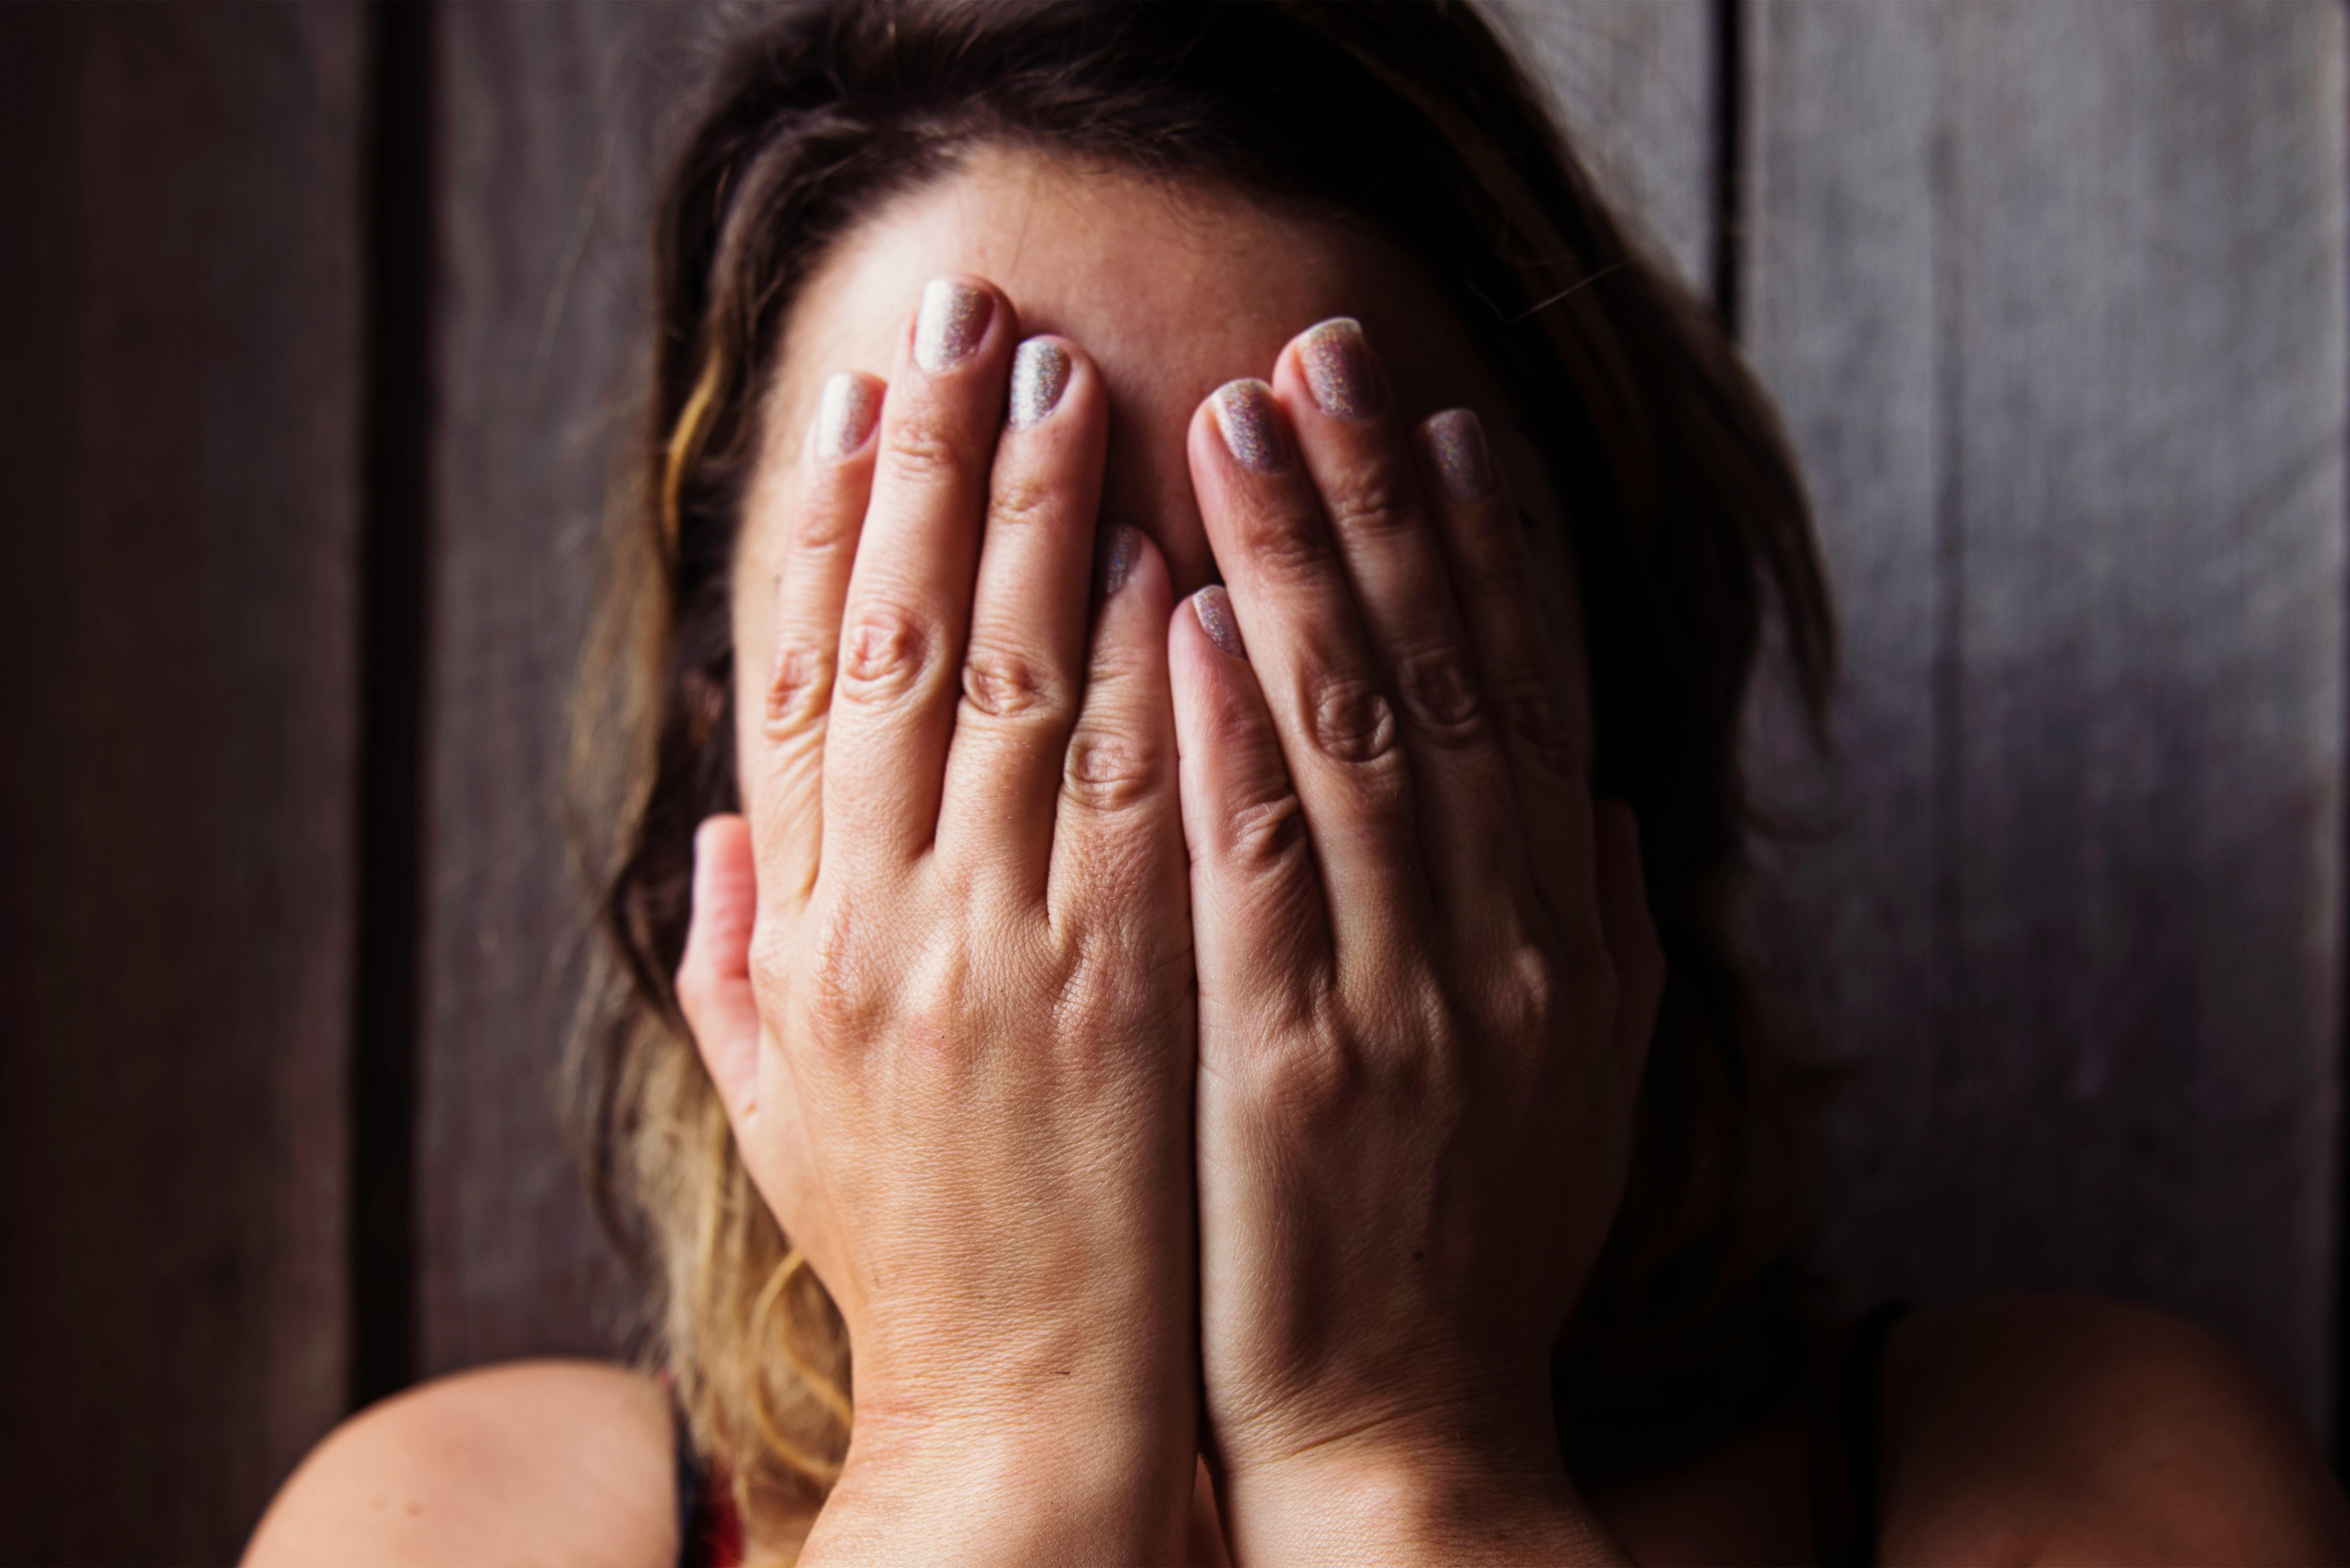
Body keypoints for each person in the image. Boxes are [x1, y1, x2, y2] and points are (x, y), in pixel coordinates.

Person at [246, 3, 2350, 1563]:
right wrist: (996, 1444)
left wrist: (1405, 1456)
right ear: (733, 775)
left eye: (1323, 614)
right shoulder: (459, 1526)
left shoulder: (2075, 1482)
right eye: (989, 620)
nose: (1164, 781)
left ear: (1581, 712)